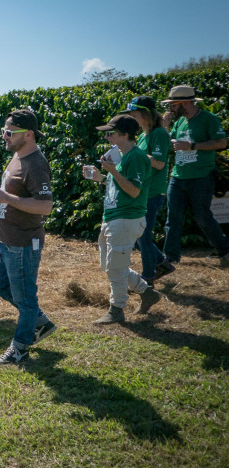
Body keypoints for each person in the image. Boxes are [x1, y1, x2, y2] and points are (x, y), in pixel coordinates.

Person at [0, 109, 57, 365]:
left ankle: (20, 349)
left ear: (29, 134)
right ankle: (38, 321)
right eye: (4, 131)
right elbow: (12, 196)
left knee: (25, 298)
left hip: (23, 243)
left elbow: (45, 206)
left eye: (9, 132)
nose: (4, 137)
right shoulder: (17, 157)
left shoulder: (36, 163)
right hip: (5, 240)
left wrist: (5, 197)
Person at [82, 116, 162, 324]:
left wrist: (112, 171)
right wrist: (99, 176)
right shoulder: (123, 157)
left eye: (111, 133)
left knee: (115, 266)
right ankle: (147, 293)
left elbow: (134, 190)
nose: (106, 136)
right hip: (114, 217)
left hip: (126, 218)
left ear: (125, 134)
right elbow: (118, 184)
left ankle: (116, 309)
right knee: (111, 265)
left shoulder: (136, 157)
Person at [160, 84, 229, 267]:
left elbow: (221, 142)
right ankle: (171, 257)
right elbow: (169, 144)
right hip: (178, 176)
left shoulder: (208, 119)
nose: (171, 109)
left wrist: (192, 146)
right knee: (172, 218)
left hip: (201, 177)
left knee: (203, 217)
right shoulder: (179, 122)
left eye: (173, 105)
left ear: (184, 103)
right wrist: (165, 128)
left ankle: (225, 250)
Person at [124, 96, 175, 285]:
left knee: (143, 235)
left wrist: (133, 153)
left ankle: (148, 276)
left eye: (135, 115)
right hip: (145, 190)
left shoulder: (159, 133)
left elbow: (159, 163)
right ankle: (161, 263)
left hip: (153, 192)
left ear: (146, 114)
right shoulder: (144, 135)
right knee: (140, 235)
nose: (132, 119)